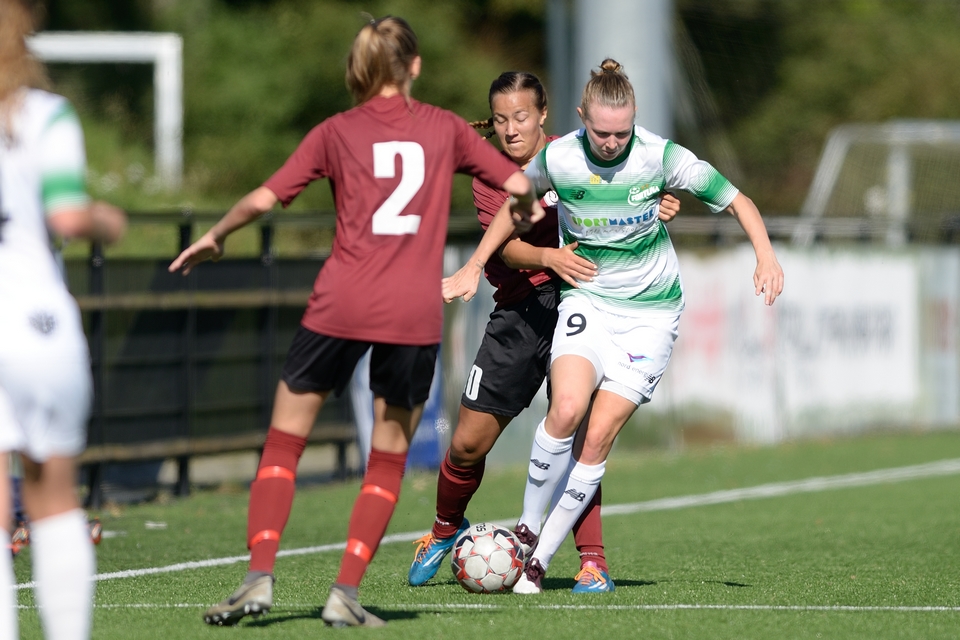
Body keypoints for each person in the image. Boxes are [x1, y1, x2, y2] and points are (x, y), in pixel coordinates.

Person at [170, 16, 542, 628]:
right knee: (387, 459)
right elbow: (519, 182)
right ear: (414, 66)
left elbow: (265, 197)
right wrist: (524, 205)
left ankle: (259, 575)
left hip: (340, 301)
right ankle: (344, 591)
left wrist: (217, 235)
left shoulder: (335, 131)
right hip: (410, 312)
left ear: (361, 69)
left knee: (284, 441)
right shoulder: (445, 128)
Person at [451, 58, 783, 594]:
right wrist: (473, 266)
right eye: (601, 133)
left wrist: (765, 256)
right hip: (589, 301)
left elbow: (737, 200)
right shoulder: (558, 157)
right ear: (582, 117)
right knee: (565, 409)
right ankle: (526, 533)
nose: (611, 144)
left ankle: (538, 563)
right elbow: (514, 210)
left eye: (622, 133)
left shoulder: (662, 156)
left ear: (635, 121)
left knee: (596, 437)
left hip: (651, 315)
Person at [408, 71, 680, 594]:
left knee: (579, 432)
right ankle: (445, 529)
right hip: (519, 312)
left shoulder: (573, 154)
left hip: (586, 304)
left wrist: (661, 202)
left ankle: (592, 561)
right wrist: (549, 257)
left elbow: (635, 188)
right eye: (502, 119)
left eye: (521, 117)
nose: (511, 129)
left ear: (543, 116)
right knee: (467, 443)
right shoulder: (488, 175)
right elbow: (508, 248)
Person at [0, 1, 127, 638]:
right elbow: (67, 216)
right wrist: (109, 220)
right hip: (34, 322)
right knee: (53, 500)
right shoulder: (45, 115)